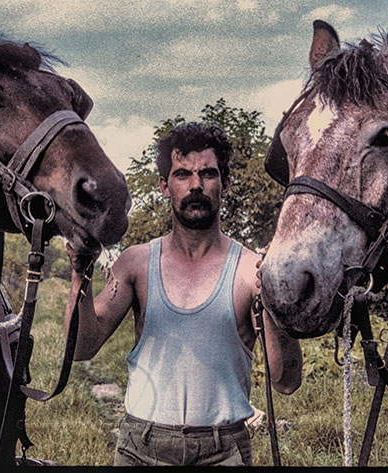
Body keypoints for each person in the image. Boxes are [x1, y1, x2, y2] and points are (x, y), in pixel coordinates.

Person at [64, 122, 302, 466]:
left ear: (226, 183)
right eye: (182, 174)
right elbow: (81, 348)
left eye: (208, 173)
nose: (195, 185)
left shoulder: (251, 271)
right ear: (164, 185)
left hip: (223, 452)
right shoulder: (136, 263)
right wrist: (80, 274)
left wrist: (276, 299)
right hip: (141, 449)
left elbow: (287, 382)